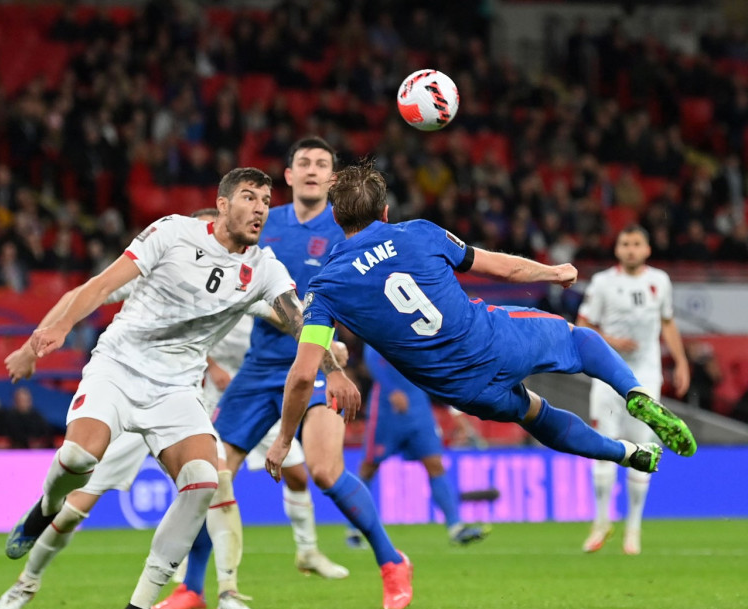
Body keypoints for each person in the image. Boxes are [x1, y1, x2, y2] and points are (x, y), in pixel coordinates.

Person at [1, 168, 354, 609]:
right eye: (249, 197)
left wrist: (332, 364)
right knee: (79, 459)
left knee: (204, 480)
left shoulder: (263, 269)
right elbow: (99, 286)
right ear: (221, 205)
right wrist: (52, 334)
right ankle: (45, 510)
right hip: (120, 369)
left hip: (177, 389)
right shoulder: (170, 233)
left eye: (267, 201)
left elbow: (296, 320)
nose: (260, 208)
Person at [266, 162, 697, 549]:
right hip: (495, 340)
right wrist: (554, 273)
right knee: (577, 340)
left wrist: (285, 439)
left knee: (536, 414)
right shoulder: (419, 232)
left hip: (463, 390)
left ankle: (625, 454)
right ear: (385, 211)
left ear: (335, 217)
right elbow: (503, 268)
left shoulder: (324, 289)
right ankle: (635, 393)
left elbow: (303, 374)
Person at [197, 138, 410, 609]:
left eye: (322, 164)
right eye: (303, 163)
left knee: (324, 470)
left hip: (316, 364)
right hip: (259, 365)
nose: (312, 170)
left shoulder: (346, 228)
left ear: (332, 179)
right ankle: (192, 587)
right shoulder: (262, 222)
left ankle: (392, 561)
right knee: (210, 475)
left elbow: (368, 291)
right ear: (289, 176)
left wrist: (339, 340)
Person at [576, 225, 690, 555]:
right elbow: (583, 325)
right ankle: (601, 522)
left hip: (646, 376)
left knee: (644, 448)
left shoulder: (660, 281)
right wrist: (611, 341)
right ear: (617, 249)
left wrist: (681, 361)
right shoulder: (602, 283)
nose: (630, 249)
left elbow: (667, 322)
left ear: (647, 249)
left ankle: (633, 530)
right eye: (625, 243)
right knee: (603, 446)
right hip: (607, 374)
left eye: (636, 243)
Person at [355, 345, 489, 546]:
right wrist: (391, 389)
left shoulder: (420, 333)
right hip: (387, 409)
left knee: (435, 464)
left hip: (418, 406)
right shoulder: (382, 328)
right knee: (369, 467)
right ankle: (355, 529)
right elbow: (371, 355)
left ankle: (456, 527)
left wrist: (453, 408)